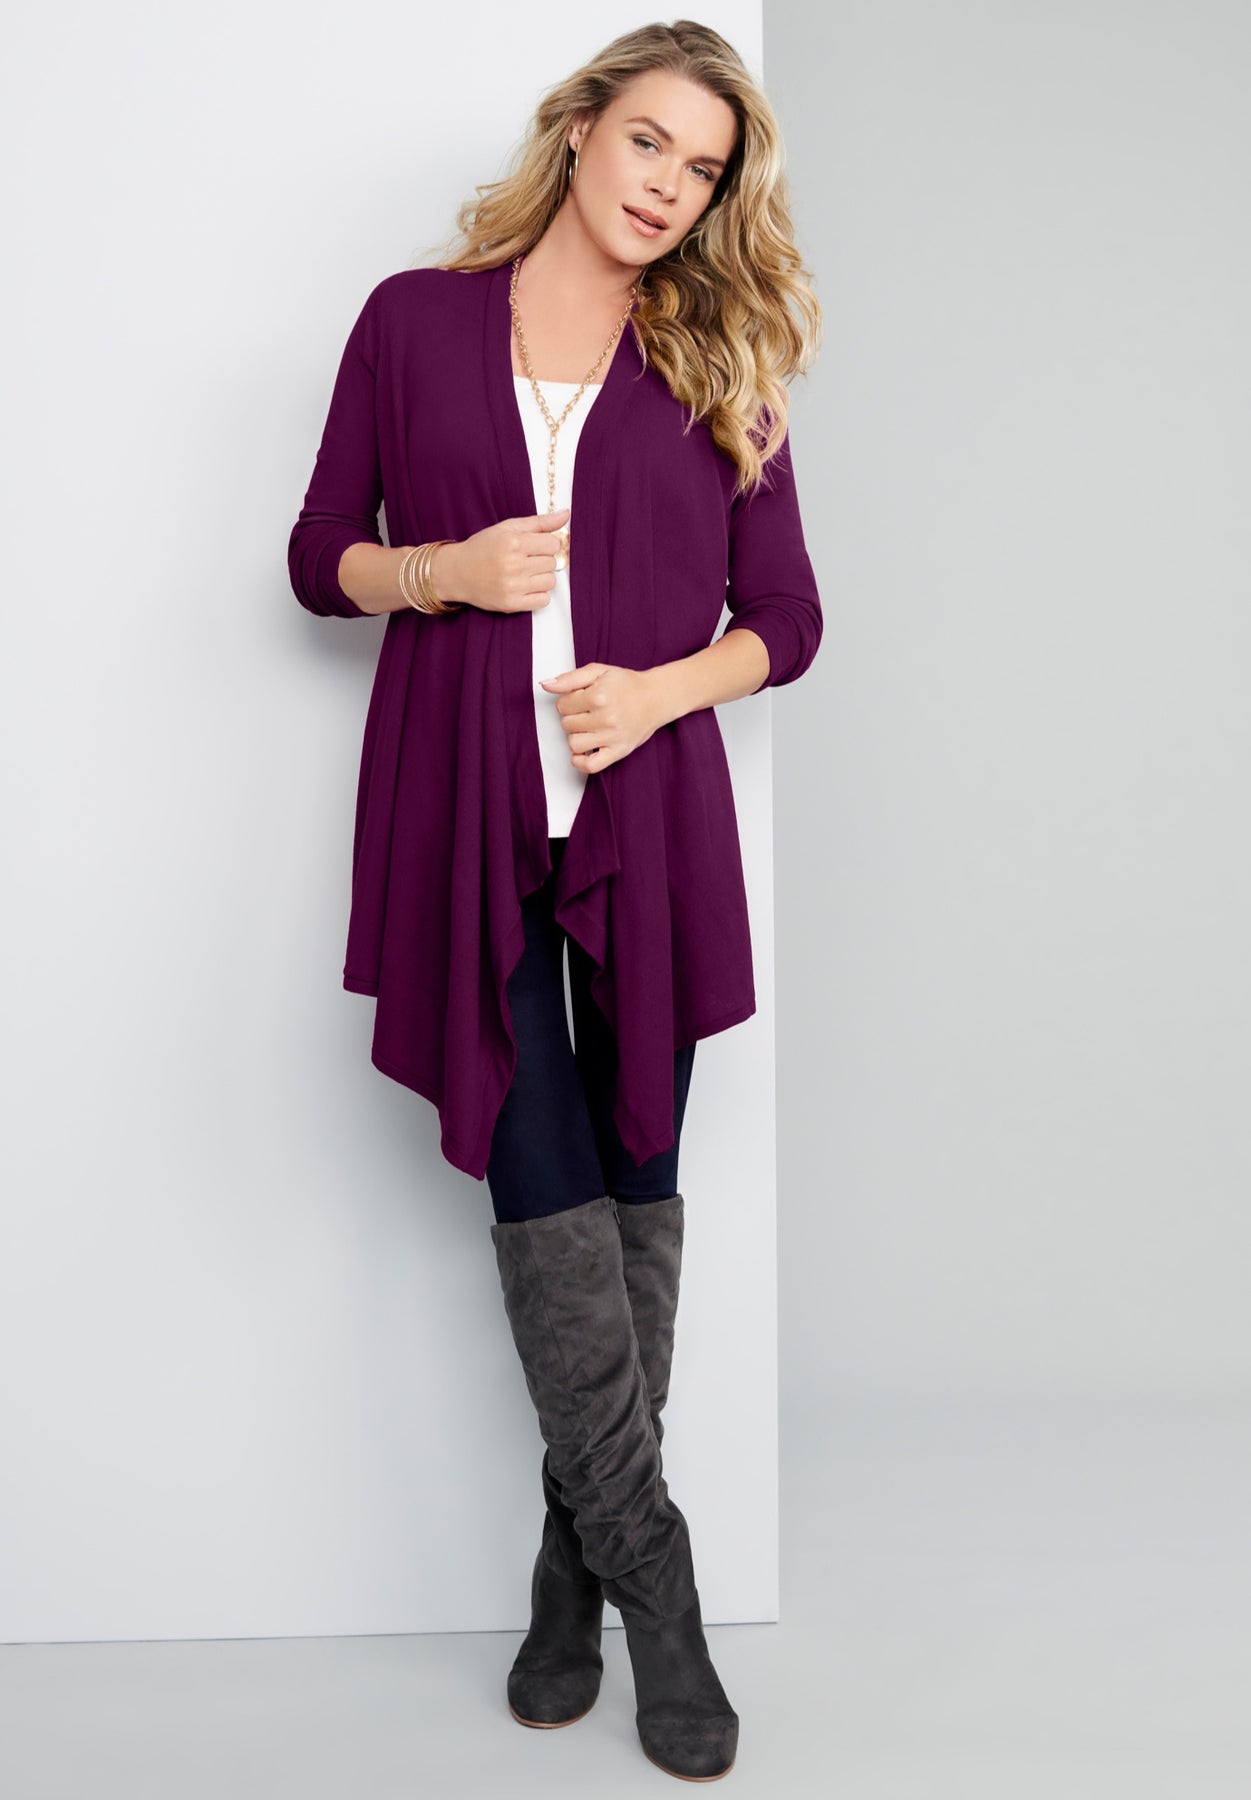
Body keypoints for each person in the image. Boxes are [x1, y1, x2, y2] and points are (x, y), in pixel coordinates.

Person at [287, 18, 823, 1784]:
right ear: (581, 128)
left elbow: (789, 620)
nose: (669, 186)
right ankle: (659, 1586)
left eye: (704, 169)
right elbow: (316, 554)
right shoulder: (413, 321)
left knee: (638, 1170)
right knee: (543, 1176)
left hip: (646, 822)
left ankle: (567, 1562)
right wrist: (443, 570)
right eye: (650, 141)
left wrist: (658, 692)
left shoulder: (717, 356)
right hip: (466, 822)